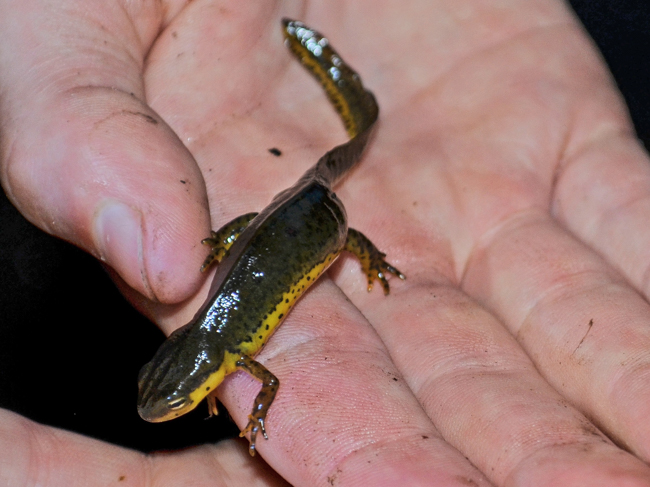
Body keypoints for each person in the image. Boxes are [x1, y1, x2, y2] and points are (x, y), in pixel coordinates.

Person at [2, 0, 650, 485]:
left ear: (204, 373)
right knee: (256, 233)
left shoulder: (234, 351)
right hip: (282, 214)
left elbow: (272, 385)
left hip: (318, 220)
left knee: (332, 230)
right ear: (183, 356)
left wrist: (365, 256)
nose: (166, 402)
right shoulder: (223, 345)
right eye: (171, 391)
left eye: (175, 395)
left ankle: (352, 219)